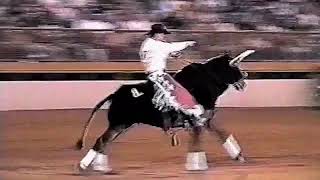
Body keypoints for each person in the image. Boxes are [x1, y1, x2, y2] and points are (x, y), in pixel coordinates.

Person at [139, 23, 207, 127]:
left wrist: (170, 54)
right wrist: (188, 43)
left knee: (176, 92)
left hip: (156, 73)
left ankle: (181, 117)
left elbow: (158, 53)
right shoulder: (155, 44)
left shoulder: (149, 43)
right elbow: (170, 47)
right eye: (163, 34)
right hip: (157, 75)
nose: (164, 36)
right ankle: (188, 117)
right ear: (157, 34)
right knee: (178, 93)